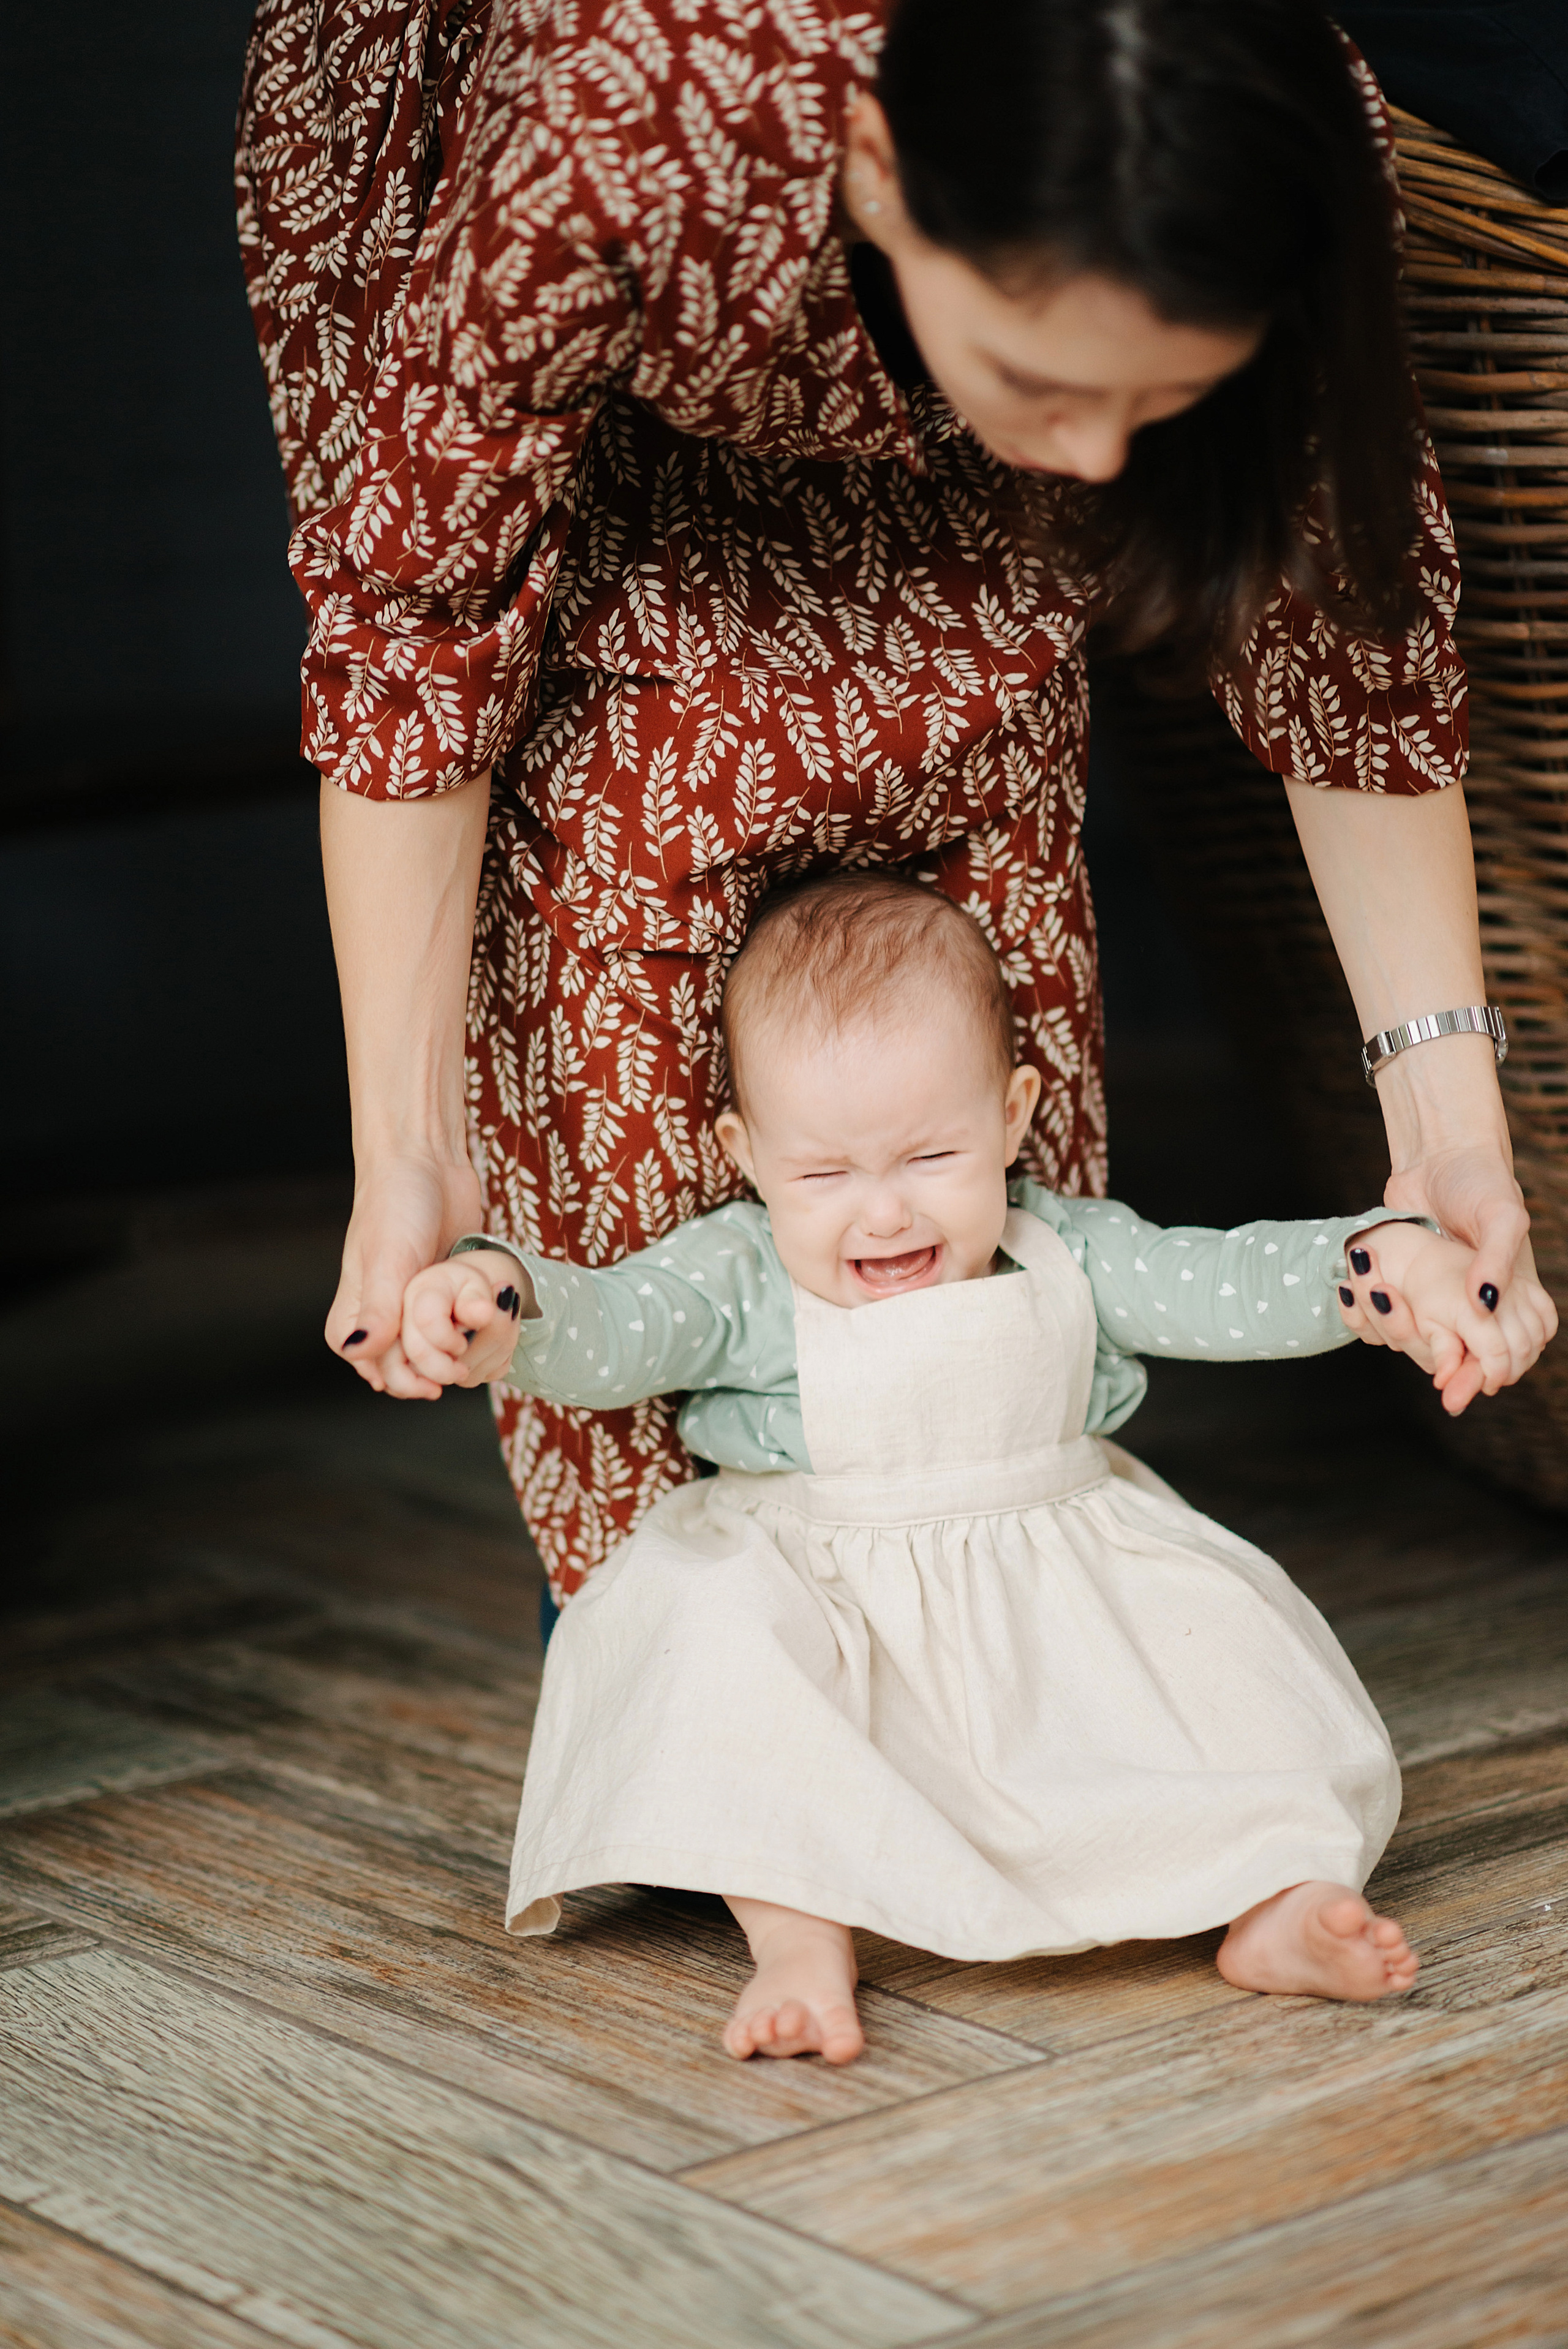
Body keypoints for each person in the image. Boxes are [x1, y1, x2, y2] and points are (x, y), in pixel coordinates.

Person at [239, 0, 1540, 1607]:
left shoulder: (1279, 116)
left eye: (1162, 402)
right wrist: (411, 1152)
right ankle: (717, 1715)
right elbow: (416, 639)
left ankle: (992, 1634)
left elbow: (1345, 618)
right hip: (630, 436)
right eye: (1046, 379)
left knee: (965, 1097)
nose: (1095, 458)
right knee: (619, 1064)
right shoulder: (622, 116)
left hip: (953, 541)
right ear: (877, 160)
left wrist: (1450, 1135)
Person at [397, 873, 1556, 2061]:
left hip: (1053, 1589)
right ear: (742, 1155)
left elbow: (1221, 1281)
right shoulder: (739, 1273)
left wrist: (1377, 1266)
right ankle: (799, 1942)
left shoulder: (1063, 1246)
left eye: (930, 1153)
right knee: (717, 1664)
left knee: (1232, 1691)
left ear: (1009, 1117)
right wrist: (506, 1302)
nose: (882, 1211)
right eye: (823, 1174)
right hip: (822, 1598)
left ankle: (1274, 1902)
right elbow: (621, 1327)